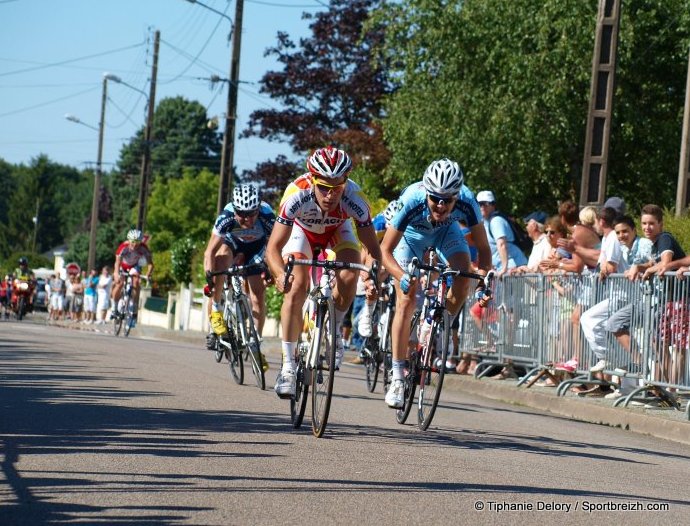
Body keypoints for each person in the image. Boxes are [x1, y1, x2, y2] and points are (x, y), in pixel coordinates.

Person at [266, 146, 382, 399]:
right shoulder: (296, 194)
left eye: (337, 189)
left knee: (350, 272)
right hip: (302, 232)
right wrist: (279, 274)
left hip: (337, 231)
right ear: (312, 181)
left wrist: (371, 274)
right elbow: (273, 248)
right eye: (323, 188)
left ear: (345, 183)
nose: (330, 196)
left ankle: (335, 330)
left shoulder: (356, 200)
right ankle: (287, 365)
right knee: (296, 286)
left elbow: (372, 249)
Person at [380, 158, 492, 408]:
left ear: (457, 197)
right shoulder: (412, 199)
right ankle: (398, 376)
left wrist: (484, 281)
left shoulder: (468, 201)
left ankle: (438, 325)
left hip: (446, 233)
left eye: (448, 200)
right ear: (427, 193)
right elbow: (385, 251)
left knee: (464, 278)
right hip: (411, 237)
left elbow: (483, 249)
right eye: (435, 199)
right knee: (406, 300)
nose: (441, 206)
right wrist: (402, 276)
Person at [203, 184, 275, 370]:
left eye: (252, 214)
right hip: (232, 244)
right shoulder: (226, 217)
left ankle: (255, 343)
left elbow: (275, 248)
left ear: (258, 208)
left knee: (258, 296)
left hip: (256, 249)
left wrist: (271, 270)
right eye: (241, 214)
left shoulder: (268, 216)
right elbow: (209, 252)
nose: (246, 219)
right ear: (234, 209)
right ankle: (216, 314)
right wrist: (209, 277)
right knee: (219, 261)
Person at [476, 191, 528, 278]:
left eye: (486, 203)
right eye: (479, 204)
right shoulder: (485, 222)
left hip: (513, 268)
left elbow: (502, 244)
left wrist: (504, 269)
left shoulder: (496, 221)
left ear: (493, 205)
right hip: (503, 269)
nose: (482, 207)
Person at [111, 229, 153, 323]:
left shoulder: (143, 248)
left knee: (136, 282)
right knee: (119, 283)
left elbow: (150, 263)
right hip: (122, 265)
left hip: (134, 266)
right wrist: (116, 274)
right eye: (133, 242)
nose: (135, 244)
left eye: (137, 242)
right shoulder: (123, 247)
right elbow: (117, 262)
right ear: (129, 240)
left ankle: (134, 306)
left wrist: (148, 273)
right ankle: (114, 307)